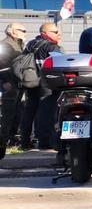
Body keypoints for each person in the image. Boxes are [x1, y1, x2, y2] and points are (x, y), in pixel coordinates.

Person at [17, 22, 62, 150]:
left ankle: (24, 141)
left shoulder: (31, 44)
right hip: (47, 83)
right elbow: (59, 63)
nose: (59, 34)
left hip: (30, 81)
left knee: (29, 110)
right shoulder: (52, 47)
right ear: (45, 33)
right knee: (46, 112)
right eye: (55, 32)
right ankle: (45, 141)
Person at [0, 23, 28, 146]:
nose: (24, 32)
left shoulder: (17, 44)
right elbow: (2, 64)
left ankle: (11, 137)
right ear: (13, 31)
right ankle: (4, 139)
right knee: (8, 112)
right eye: (22, 30)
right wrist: (6, 81)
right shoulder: (6, 44)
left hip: (16, 82)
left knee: (16, 110)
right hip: (9, 83)